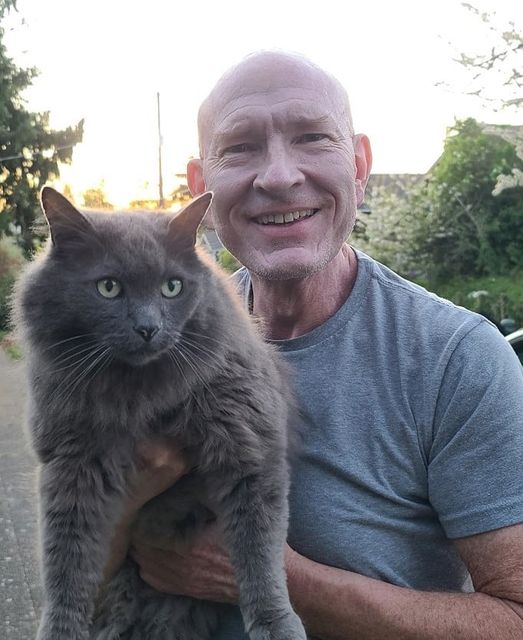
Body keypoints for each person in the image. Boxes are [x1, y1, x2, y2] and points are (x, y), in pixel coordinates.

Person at [106, 51, 523, 638]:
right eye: (240, 147)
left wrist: (266, 575)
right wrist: (127, 504)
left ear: (359, 165)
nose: (278, 177)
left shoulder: (456, 361)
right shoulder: (157, 340)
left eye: (311, 137)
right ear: (200, 188)